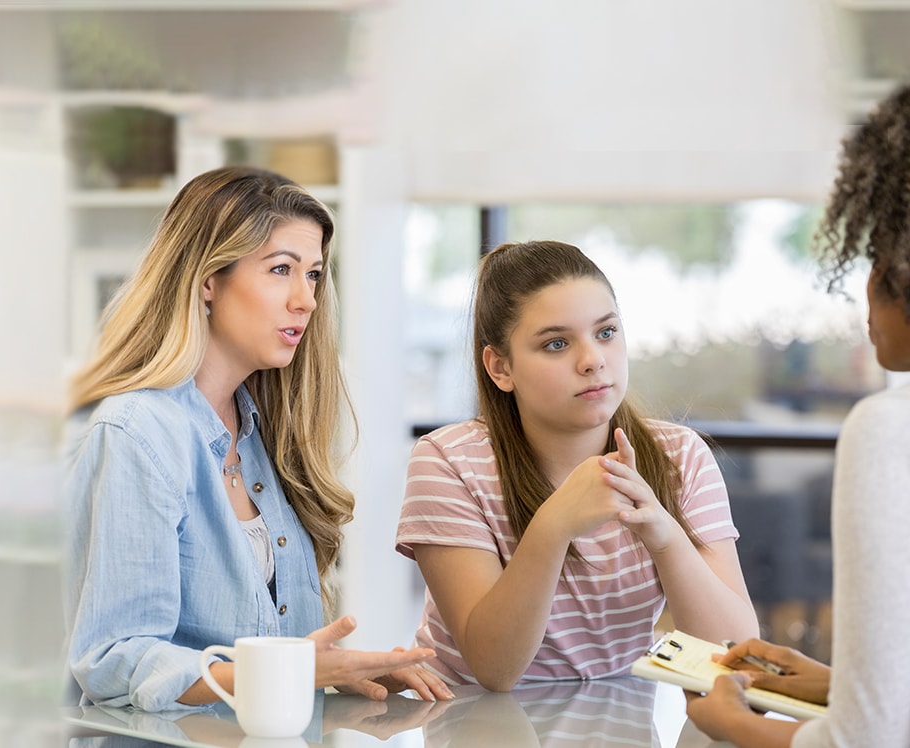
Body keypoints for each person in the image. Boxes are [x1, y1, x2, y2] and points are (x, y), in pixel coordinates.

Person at [63, 165, 454, 712]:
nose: (306, 299)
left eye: (314, 274)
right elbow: (114, 659)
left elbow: (273, 658)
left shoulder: (264, 437)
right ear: (208, 279)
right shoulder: (136, 433)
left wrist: (341, 674)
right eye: (280, 269)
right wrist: (292, 670)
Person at [396, 240, 760, 691]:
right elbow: (494, 668)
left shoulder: (679, 457)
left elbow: (735, 655)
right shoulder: (447, 461)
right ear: (500, 368)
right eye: (556, 343)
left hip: (616, 726)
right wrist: (555, 524)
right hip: (473, 725)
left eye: (606, 332)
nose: (592, 360)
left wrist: (666, 538)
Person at [685, 84, 910, 747]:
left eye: (877, 249)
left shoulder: (890, 429)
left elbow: (862, 743)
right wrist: (832, 682)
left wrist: (734, 728)